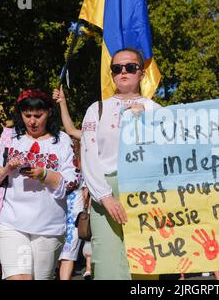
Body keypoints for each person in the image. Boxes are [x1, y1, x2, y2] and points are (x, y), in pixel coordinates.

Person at [81, 47, 161, 280]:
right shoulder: (97, 109)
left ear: (142, 73)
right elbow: (88, 154)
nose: (123, 72)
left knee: (144, 268)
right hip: (105, 192)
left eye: (130, 67)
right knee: (107, 266)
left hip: (145, 192)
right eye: (117, 68)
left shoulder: (157, 111)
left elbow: (172, 150)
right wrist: (105, 196)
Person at [0, 89, 80, 280]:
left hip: (49, 226)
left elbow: (72, 180)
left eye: (38, 115)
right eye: (27, 115)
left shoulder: (61, 140)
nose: (32, 121)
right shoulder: (9, 138)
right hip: (12, 223)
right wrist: (6, 168)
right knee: (19, 277)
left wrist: (44, 174)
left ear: (49, 113)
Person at [57, 139, 84, 280]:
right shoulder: (83, 165)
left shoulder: (83, 165)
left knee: (67, 253)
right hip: (61, 212)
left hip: (72, 214)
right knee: (64, 252)